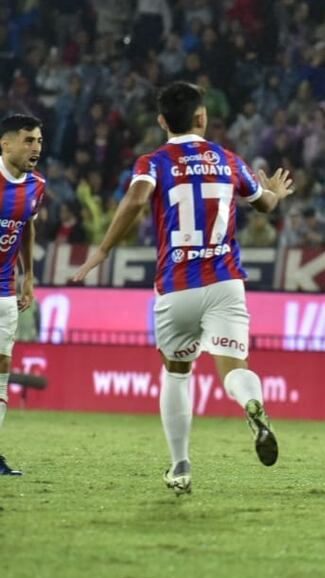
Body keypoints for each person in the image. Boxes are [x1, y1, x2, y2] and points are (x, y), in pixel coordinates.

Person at [73, 82, 294, 495]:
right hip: (226, 282)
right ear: (202, 117)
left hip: (176, 285)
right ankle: (252, 406)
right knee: (234, 368)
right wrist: (276, 193)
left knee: (177, 372)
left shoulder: (153, 162)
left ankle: (181, 467)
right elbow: (263, 203)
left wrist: (103, 250)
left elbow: (137, 201)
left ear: (161, 122)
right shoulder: (227, 159)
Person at [0, 114, 46, 476]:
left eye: (40, 141)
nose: (36, 148)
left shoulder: (36, 186)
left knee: (2, 370)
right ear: (6, 143)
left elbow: (27, 226)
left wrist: (28, 276)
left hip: (4, 291)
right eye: (28, 140)